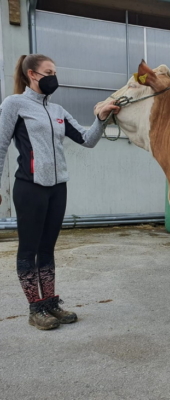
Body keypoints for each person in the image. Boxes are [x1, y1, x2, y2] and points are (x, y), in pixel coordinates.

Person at [0, 54, 120, 330]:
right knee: (28, 249)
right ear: (32, 74)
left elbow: (87, 140)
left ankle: (51, 303)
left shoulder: (58, 111)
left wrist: (101, 118)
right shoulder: (14, 104)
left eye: (55, 71)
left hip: (57, 188)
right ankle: (35, 308)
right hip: (30, 187)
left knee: (47, 248)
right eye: (49, 71)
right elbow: (1, 146)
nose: (54, 76)